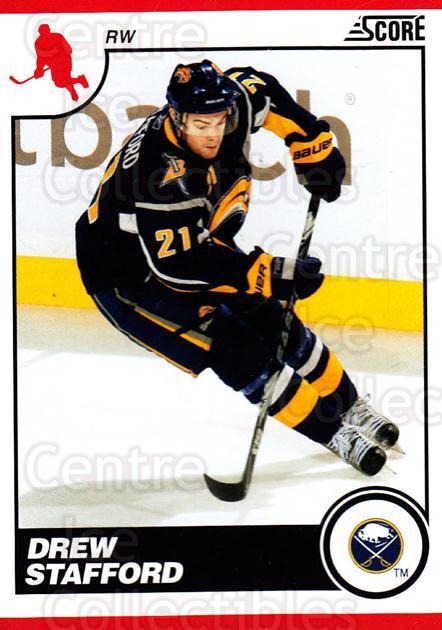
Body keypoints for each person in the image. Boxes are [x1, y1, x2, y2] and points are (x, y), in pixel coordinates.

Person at [76, 59, 399, 477]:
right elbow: (177, 266)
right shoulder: (158, 175)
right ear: (176, 117)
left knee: (274, 320)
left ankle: (351, 407)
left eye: (218, 121)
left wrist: (310, 144)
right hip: (131, 280)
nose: (213, 133)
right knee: (236, 350)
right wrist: (268, 273)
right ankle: (333, 432)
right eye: (200, 125)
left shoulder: (228, 106)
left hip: (194, 245)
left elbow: (261, 87)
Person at [33, 24, 88, 102]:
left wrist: (40, 68)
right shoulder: (39, 43)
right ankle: (75, 87)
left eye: (45, 31)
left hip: (64, 63)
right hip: (54, 66)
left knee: (60, 81)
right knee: (62, 81)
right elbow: (40, 58)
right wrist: (39, 69)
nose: (45, 34)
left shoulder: (57, 37)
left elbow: (69, 50)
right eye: (43, 32)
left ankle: (79, 82)